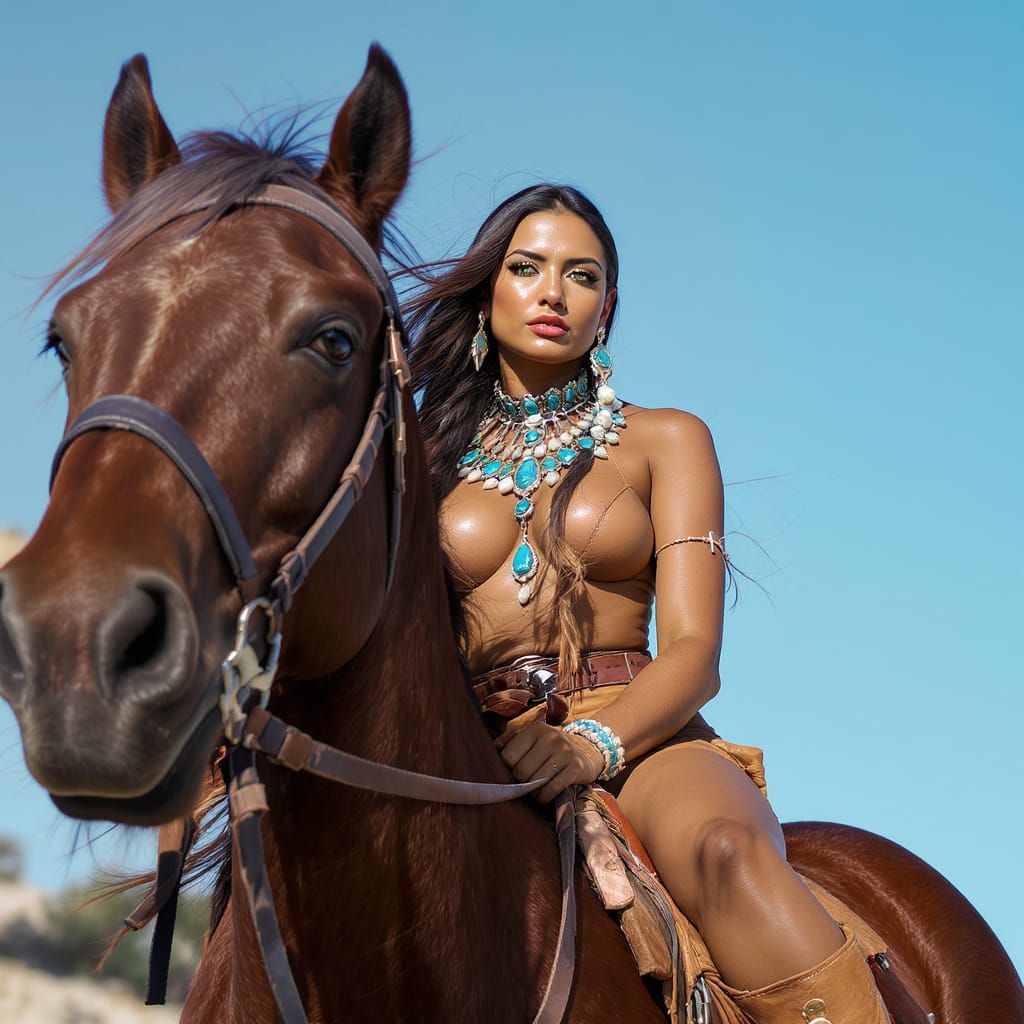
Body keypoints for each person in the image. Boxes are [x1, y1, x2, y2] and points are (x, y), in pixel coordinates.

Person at [407, 184, 888, 1023]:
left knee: (731, 855)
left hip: (640, 735)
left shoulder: (667, 438)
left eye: (581, 275)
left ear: (608, 307)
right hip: (476, 743)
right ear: (488, 291)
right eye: (526, 268)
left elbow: (697, 652)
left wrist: (592, 747)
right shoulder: (418, 459)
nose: (553, 292)